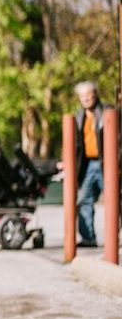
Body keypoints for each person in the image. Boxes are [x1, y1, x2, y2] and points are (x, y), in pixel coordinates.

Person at [74, 81, 109, 247]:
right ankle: (88, 237)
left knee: (115, 199)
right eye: (82, 96)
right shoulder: (79, 117)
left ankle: (115, 237)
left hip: (105, 163)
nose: (86, 98)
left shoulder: (107, 113)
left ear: (95, 95)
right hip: (87, 164)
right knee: (84, 200)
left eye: (89, 95)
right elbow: (76, 144)